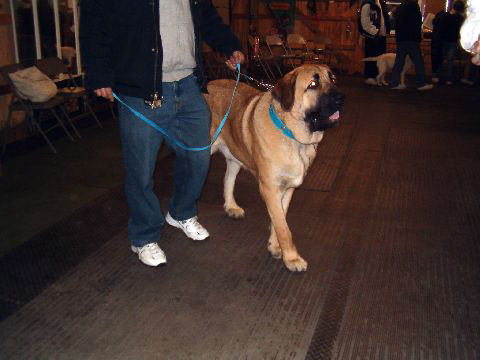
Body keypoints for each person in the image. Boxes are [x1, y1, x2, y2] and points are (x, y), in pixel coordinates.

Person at [80, 1, 245, 267]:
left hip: (188, 85)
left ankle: (181, 213)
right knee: (141, 169)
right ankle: (144, 236)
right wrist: (98, 74)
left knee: (198, 157)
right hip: (139, 89)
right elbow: (94, 24)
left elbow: (208, 18)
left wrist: (229, 45)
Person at [389, 0, 433, 90]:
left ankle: (394, 83)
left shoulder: (400, 7)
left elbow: (396, 22)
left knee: (399, 61)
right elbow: (417, 23)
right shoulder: (414, 6)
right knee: (418, 61)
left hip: (401, 38)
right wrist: (418, 36)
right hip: (412, 39)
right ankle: (421, 83)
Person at [358, 0, 391, 85]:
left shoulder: (381, 3)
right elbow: (364, 22)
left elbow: (384, 19)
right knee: (372, 55)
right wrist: (375, 31)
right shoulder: (367, 4)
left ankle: (379, 77)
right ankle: (370, 77)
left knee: (380, 57)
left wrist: (386, 30)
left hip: (382, 35)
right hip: (372, 35)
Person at [439, 1, 465, 85]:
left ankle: (439, 77)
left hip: (443, 39)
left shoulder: (445, 16)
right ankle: (448, 79)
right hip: (453, 40)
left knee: (442, 59)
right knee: (450, 60)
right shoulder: (460, 18)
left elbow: (441, 27)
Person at [431, 10, 447, 83]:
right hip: (442, 43)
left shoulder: (435, 22)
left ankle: (435, 75)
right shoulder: (445, 24)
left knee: (434, 59)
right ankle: (440, 75)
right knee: (440, 60)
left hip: (434, 42)